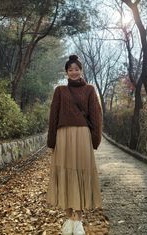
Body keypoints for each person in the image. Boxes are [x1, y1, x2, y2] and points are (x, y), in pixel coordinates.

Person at [46, 54, 102, 235]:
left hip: (82, 137)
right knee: (65, 174)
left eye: (76, 69)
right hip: (63, 136)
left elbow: (96, 116)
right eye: (70, 70)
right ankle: (69, 218)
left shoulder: (90, 90)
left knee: (81, 174)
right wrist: (52, 141)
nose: (74, 72)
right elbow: (53, 116)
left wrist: (95, 139)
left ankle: (78, 220)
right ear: (66, 72)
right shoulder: (60, 91)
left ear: (81, 70)